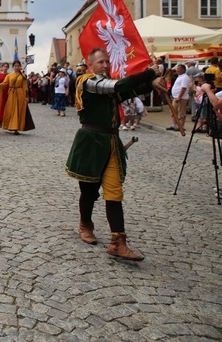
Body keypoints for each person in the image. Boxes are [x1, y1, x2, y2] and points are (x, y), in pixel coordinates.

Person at [65, 47, 166, 261]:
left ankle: (118, 242)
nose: (105, 65)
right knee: (90, 191)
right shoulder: (87, 80)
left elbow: (126, 91)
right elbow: (120, 86)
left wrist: (150, 83)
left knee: (114, 191)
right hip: (91, 141)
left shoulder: (107, 85)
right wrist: (150, 72)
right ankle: (85, 224)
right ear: (91, 64)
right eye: (101, 62)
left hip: (111, 142)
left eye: (107, 61)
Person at [0, 60, 35, 135]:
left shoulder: (23, 76)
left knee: (18, 110)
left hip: (20, 94)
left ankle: (16, 127)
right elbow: (5, 83)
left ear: (20, 67)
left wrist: (26, 96)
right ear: (13, 67)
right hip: (11, 94)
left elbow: (25, 86)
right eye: (15, 66)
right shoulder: (9, 75)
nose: (16, 67)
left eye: (18, 66)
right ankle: (9, 126)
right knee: (10, 109)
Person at [167, 64, 190, 131]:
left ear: (183, 69)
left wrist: (179, 97)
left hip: (181, 97)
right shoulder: (179, 76)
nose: (177, 70)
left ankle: (181, 125)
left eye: (179, 69)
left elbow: (183, 88)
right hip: (175, 96)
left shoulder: (185, 77)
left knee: (181, 112)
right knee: (173, 111)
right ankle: (174, 124)